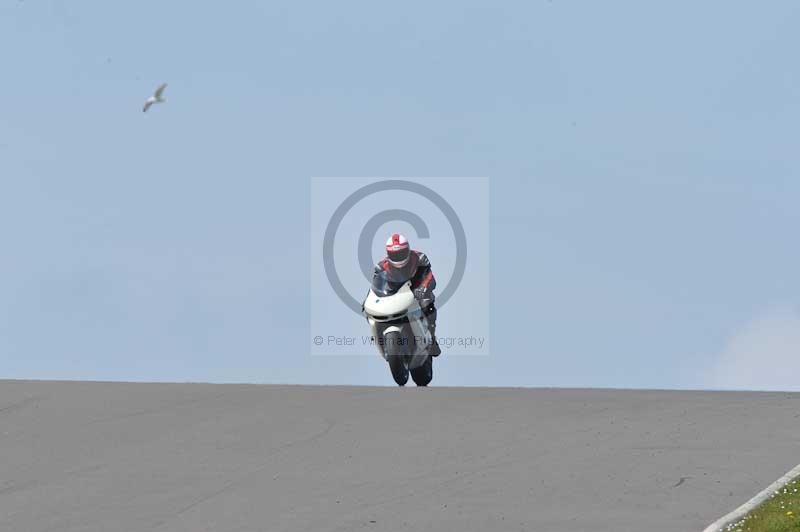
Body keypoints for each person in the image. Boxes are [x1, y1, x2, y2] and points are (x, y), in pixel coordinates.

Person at [373, 233, 441, 357]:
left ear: (408, 250)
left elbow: (429, 277)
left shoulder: (420, 258)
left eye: (401, 253)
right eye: (394, 255)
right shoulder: (381, 267)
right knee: (372, 311)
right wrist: (371, 299)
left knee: (427, 303)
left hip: (417, 289)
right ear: (388, 254)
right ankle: (379, 336)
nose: (398, 257)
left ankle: (431, 337)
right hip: (395, 293)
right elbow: (375, 286)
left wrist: (423, 288)